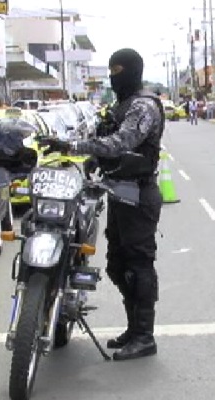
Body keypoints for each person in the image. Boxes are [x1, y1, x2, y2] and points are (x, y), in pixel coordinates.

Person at [41, 48, 164, 361]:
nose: (112, 75)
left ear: (133, 71)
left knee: (138, 264)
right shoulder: (121, 104)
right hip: (118, 192)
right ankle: (133, 328)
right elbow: (100, 137)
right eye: (110, 69)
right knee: (117, 264)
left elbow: (120, 143)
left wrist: (74, 145)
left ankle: (144, 336)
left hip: (138, 194)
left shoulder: (143, 106)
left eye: (118, 70)